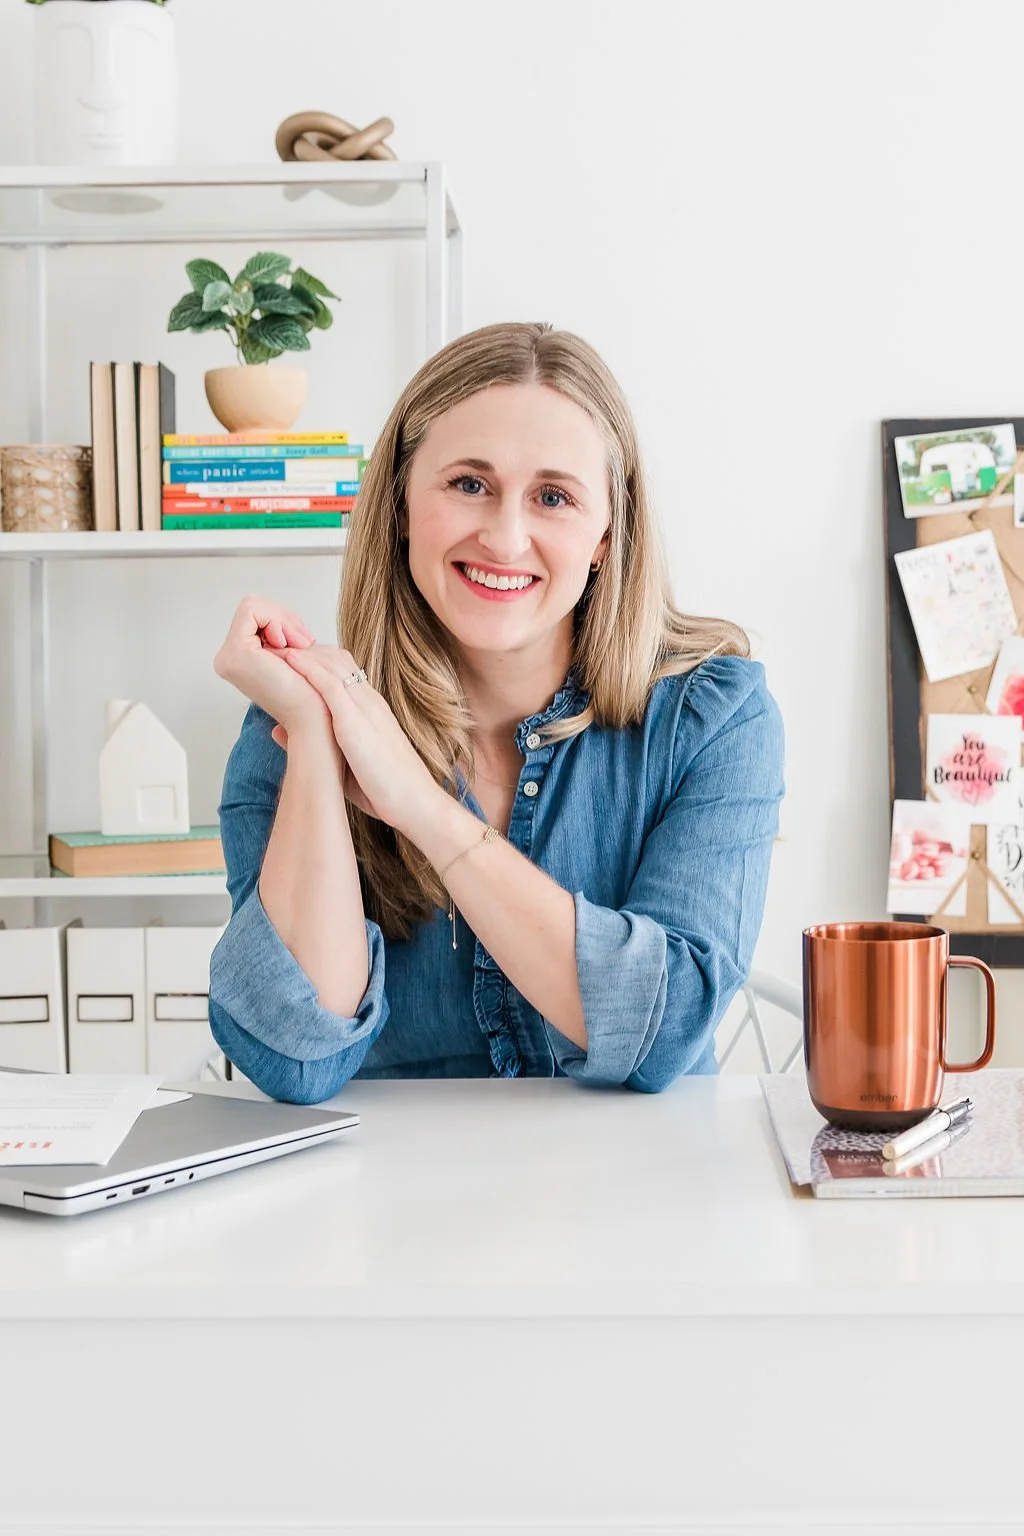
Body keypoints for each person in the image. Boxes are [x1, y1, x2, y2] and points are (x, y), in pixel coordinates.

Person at [208, 321, 785, 1103]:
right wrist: (316, 736)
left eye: (553, 497)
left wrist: (423, 810)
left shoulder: (712, 717)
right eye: (469, 484)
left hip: (648, 1201)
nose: (506, 537)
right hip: (388, 1208)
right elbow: (296, 1058)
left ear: (605, 536)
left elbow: (665, 1029)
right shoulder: (291, 724)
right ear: (404, 504)